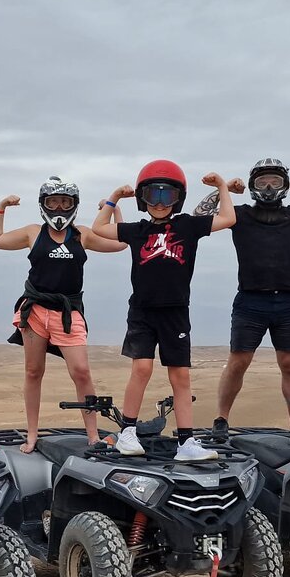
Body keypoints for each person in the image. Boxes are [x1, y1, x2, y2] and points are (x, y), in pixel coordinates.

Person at [92, 160, 235, 461]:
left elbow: (228, 218)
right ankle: (127, 433)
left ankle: (186, 443)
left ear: (178, 198)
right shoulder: (136, 230)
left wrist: (222, 186)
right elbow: (99, 227)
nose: (158, 203)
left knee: (180, 377)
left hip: (176, 312)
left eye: (166, 195)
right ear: (142, 199)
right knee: (141, 369)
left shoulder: (189, 226)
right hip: (142, 311)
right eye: (151, 195)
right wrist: (114, 197)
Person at [201, 158, 290, 440]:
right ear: (253, 186)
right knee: (238, 362)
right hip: (249, 301)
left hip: (289, 302)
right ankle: (221, 419)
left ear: (285, 186)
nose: (268, 186)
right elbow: (198, 217)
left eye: (275, 181)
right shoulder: (239, 214)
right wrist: (224, 188)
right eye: (262, 181)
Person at [0, 177, 127, 452]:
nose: (59, 208)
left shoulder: (82, 234)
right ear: (44, 205)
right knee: (33, 372)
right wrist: (1, 206)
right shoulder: (32, 233)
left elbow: (121, 243)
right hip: (35, 311)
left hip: (68, 312)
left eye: (65, 202)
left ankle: (92, 435)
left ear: (74, 205)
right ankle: (31, 435)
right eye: (53, 202)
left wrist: (113, 207)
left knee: (82, 372)